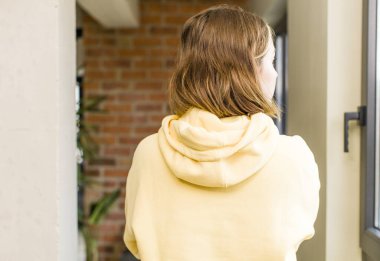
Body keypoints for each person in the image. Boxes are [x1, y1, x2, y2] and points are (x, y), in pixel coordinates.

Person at [123, 4, 320, 261]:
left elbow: (135, 242)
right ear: (247, 73)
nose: (275, 73)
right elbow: (297, 233)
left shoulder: (148, 154)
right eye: (270, 61)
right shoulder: (294, 157)